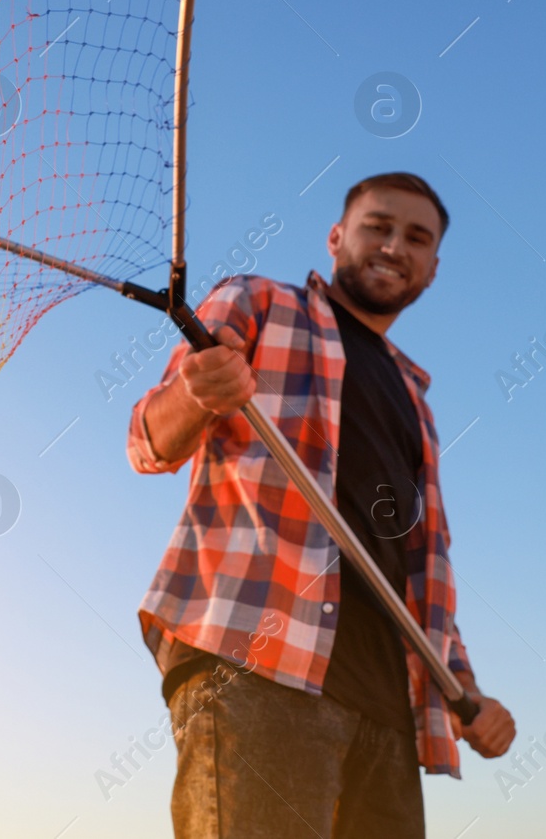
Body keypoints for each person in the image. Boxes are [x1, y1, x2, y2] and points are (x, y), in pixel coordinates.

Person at [127, 171, 516, 839]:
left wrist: (464, 688)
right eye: (378, 225)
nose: (395, 245)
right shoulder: (258, 302)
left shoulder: (415, 399)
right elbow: (147, 442)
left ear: (432, 266)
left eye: (416, 237)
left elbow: (418, 564)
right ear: (337, 236)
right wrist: (197, 393)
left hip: (390, 705)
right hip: (256, 660)